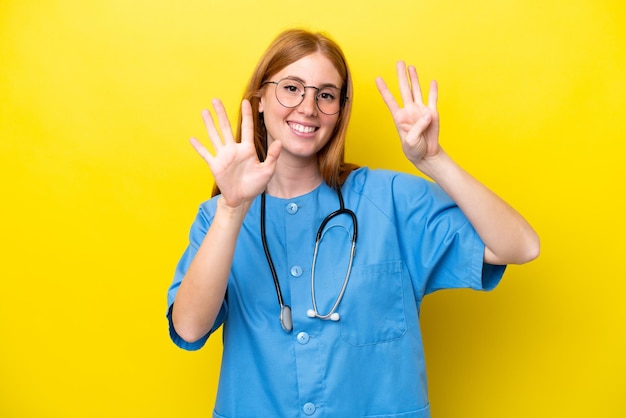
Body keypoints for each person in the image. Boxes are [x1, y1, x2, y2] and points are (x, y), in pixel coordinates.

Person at [166, 28, 539, 418]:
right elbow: (189, 328)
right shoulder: (219, 218)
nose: (308, 107)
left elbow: (521, 246)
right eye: (292, 88)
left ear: (340, 111)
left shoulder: (390, 199)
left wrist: (433, 161)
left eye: (325, 95)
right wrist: (231, 210)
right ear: (259, 100)